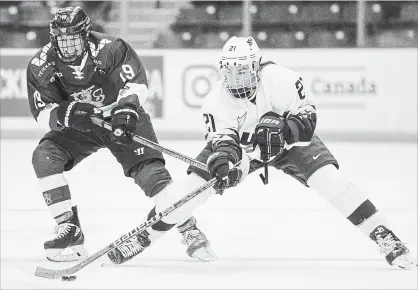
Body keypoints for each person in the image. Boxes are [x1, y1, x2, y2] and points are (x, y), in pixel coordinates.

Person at [121, 36, 417, 269]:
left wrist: (285, 129)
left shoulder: (281, 79)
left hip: (289, 148)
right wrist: (224, 161)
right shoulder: (215, 100)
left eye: (243, 70)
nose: (236, 78)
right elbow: (222, 141)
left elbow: (308, 120)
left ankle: (384, 236)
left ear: (256, 66)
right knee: (192, 189)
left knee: (332, 182)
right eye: (230, 70)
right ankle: (147, 234)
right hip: (244, 150)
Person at [27, 6, 217, 264]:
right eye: (62, 40)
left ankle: (189, 229)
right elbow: (42, 111)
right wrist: (70, 114)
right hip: (80, 126)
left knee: (153, 178)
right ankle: (68, 228)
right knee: (44, 156)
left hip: (119, 119)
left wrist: (126, 109)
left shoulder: (111, 48)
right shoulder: (42, 64)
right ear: (53, 38)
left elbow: (136, 83)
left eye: (73, 40)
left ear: (85, 35)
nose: (68, 47)